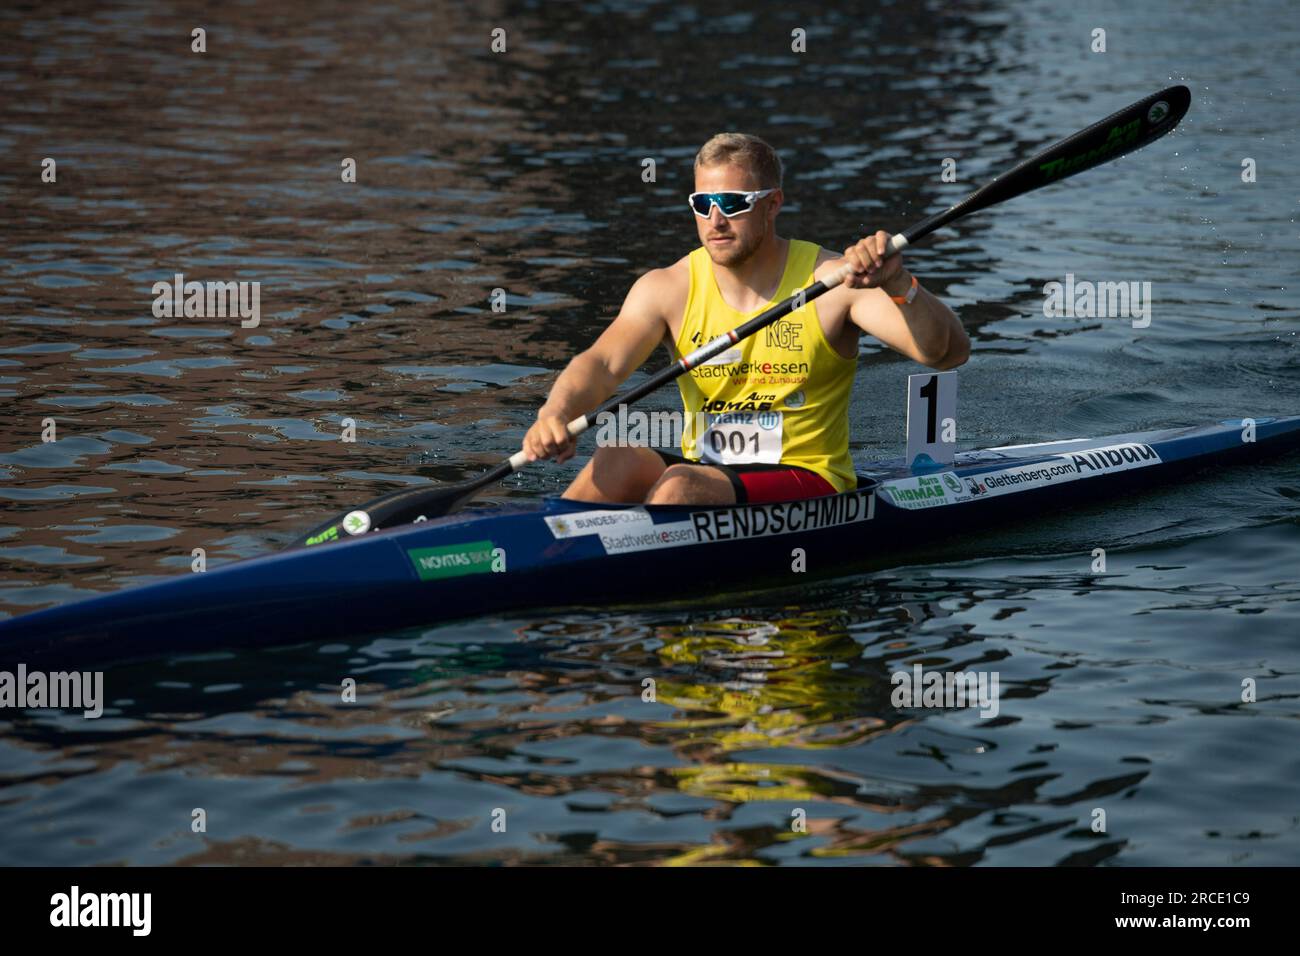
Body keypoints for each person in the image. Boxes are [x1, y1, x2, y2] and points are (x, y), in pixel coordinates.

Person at [521, 132, 969, 506]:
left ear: (772, 204)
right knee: (613, 459)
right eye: (703, 203)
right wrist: (555, 413)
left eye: (732, 203)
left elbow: (945, 353)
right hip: (709, 473)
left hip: (808, 481)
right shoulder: (667, 287)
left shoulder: (832, 283)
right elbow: (602, 364)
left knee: (679, 488)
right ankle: (548, 557)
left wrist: (898, 284)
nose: (715, 220)